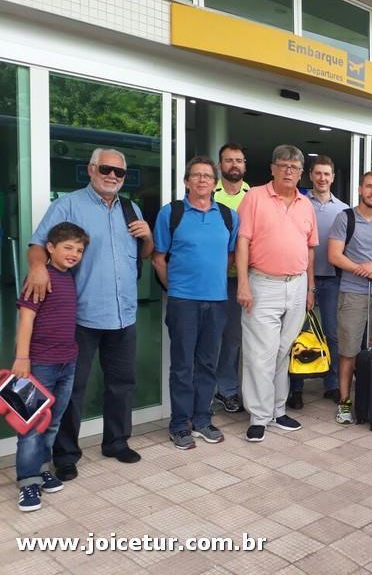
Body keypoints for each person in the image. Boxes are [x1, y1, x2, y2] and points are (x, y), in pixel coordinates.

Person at [25, 148, 154, 481]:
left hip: (124, 314)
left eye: (119, 172)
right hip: (81, 316)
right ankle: (66, 455)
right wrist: (37, 268)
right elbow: (38, 244)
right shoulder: (68, 206)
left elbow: (143, 254)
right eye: (106, 169)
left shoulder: (131, 208)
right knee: (73, 390)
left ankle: (116, 441)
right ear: (91, 169)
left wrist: (148, 238)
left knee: (122, 384)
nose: (112, 176)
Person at [152, 156, 239, 450]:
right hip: (183, 302)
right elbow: (158, 258)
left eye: (207, 176)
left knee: (208, 364)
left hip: (217, 301)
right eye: (196, 175)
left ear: (215, 184)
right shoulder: (171, 213)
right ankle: (179, 424)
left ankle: (202, 420)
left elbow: (230, 256)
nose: (202, 180)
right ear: (186, 181)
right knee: (182, 365)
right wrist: (175, 288)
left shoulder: (228, 216)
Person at [236, 145, 317, 442]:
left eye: (294, 167)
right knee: (260, 354)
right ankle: (259, 416)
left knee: (284, 351)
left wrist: (310, 288)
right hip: (263, 283)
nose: (288, 171)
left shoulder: (306, 204)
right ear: (272, 168)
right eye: (283, 165)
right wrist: (243, 283)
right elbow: (242, 242)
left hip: (297, 285)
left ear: (301, 173)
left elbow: (310, 249)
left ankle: (277, 410)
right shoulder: (254, 197)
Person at [13, 222, 89, 512]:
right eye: (68, 247)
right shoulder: (39, 277)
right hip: (39, 364)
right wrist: (22, 358)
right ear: (50, 248)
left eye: (79, 250)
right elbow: (26, 320)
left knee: (52, 421)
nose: (74, 254)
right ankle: (28, 481)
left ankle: (42, 468)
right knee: (31, 424)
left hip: (67, 362)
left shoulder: (69, 278)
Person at [328, 171, 372, 425]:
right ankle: (345, 403)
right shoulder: (345, 217)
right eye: (369, 186)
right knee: (348, 351)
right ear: (360, 189)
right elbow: (334, 255)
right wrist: (364, 270)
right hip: (352, 295)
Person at [287, 155, 348, 409]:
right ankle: (296, 388)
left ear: (332, 178)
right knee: (298, 334)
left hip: (333, 280)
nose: (322, 178)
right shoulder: (299, 203)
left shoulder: (343, 210)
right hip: (303, 279)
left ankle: (331, 384)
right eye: (318, 173)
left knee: (332, 334)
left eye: (327, 174)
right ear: (310, 175)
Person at [213, 143, 250, 414]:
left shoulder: (254, 196)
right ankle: (208, 390)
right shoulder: (208, 194)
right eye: (228, 160)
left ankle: (228, 389)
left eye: (238, 160)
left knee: (235, 338)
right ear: (220, 165)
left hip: (243, 279)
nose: (234, 165)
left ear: (244, 165)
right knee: (211, 336)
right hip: (213, 278)